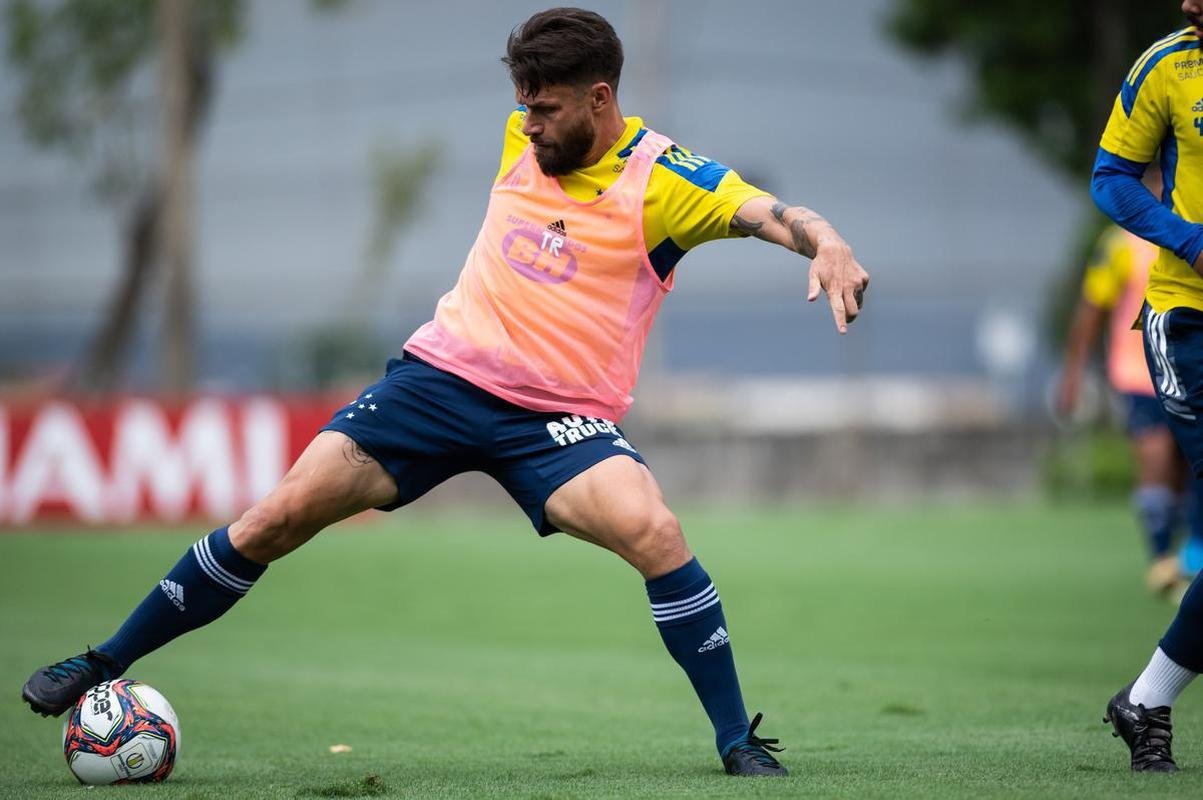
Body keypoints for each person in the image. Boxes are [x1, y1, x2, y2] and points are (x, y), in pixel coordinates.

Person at [20, 7, 869, 777]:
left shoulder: (666, 181)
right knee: (272, 518)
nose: (527, 125)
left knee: (655, 528)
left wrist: (824, 242)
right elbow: (534, 131)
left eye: (546, 109)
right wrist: (534, 120)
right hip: (438, 382)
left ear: (601, 97)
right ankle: (102, 662)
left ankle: (734, 742)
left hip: (556, 419)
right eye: (523, 105)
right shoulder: (524, 137)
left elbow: (767, 212)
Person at [1095, 1, 1203, 773]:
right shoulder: (1167, 64)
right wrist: (1188, 239)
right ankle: (1148, 698)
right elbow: (1110, 180)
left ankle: (1145, 700)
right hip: (1188, 322)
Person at [1058, 181, 1203, 599]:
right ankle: (1162, 561)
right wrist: (1073, 372)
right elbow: (1092, 307)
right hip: (1139, 371)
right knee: (1155, 456)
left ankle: (1190, 551)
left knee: (1190, 466)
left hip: (1193, 366)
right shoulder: (1121, 242)